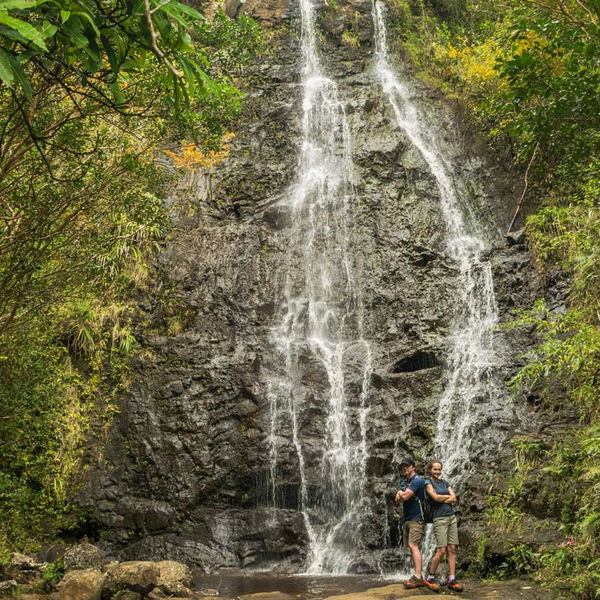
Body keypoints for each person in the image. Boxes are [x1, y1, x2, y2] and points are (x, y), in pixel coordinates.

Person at [395, 457, 439, 591]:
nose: (405, 468)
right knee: (411, 546)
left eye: (407, 466)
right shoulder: (404, 482)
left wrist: (400, 493)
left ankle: (418, 576)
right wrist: (400, 494)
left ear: (413, 467)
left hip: (416, 518)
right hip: (407, 519)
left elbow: (405, 496)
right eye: (403, 466)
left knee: (414, 545)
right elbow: (397, 499)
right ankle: (416, 575)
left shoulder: (418, 481)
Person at [424, 459, 464, 592]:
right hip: (439, 519)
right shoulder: (428, 483)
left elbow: (454, 498)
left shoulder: (445, 482)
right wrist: (446, 497)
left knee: (452, 548)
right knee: (441, 550)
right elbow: (435, 498)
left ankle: (451, 578)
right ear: (430, 470)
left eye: (439, 469)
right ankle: (430, 576)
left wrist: (442, 497)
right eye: (435, 469)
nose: (437, 471)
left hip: (451, 517)